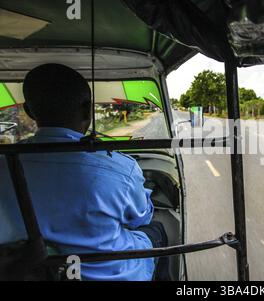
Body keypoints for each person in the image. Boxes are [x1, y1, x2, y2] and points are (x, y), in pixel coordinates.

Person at [0, 64, 168, 281]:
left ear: (29, 111)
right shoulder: (120, 168)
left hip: (26, 271)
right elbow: (141, 217)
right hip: (110, 275)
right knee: (158, 231)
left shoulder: (4, 163)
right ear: (87, 109)